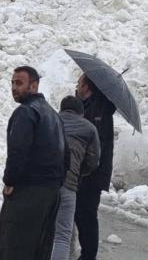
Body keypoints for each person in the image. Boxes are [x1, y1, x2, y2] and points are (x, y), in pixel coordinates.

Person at [0, 66, 69, 260]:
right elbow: (66, 155)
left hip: (28, 191)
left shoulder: (26, 112)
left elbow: (18, 150)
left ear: (34, 85)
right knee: (39, 248)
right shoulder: (53, 115)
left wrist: (10, 181)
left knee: (14, 246)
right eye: (12, 83)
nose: (14, 87)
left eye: (19, 83)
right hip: (51, 192)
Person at [52, 96, 100, 260]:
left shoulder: (50, 120)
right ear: (81, 113)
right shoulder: (90, 128)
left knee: (40, 230)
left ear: (61, 109)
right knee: (62, 236)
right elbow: (93, 161)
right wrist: (78, 171)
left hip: (44, 184)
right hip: (69, 184)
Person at [74, 74, 116, 260]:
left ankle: (88, 255)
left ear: (87, 87)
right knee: (78, 213)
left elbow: (96, 145)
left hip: (93, 173)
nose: (77, 86)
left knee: (87, 215)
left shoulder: (100, 111)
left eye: (79, 83)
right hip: (81, 171)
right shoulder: (86, 106)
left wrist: (86, 166)